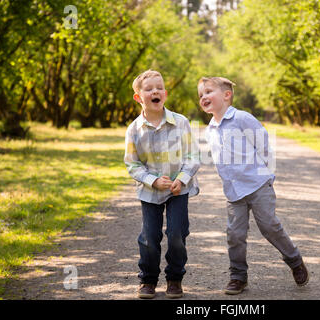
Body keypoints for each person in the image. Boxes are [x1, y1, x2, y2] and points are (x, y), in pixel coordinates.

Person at [197, 76, 309, 295]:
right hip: (233, 192)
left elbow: (264, 146)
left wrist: (267, 177)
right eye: (201, 95)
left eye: (209, 92)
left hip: (258, 186)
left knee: (269, 226)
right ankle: (238, 276)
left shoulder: (241, 119)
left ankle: (294, 260)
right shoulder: (210, 129)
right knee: (235, 234)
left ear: (226, 95)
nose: (204, 97)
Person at [125, 70, 199, 299]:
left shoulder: (181, 123)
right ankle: (147, 280)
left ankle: (175, 278)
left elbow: (193, 156)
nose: (155, 91)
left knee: (177, 233)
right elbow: (132, 164)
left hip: (179, 189)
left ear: (165, 94)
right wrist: (153, 180)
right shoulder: (134, 130)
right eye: (149, 89)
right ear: (139, 98)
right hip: (150, 192)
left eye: (159, 88)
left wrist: (182, 179)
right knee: (149, 236)